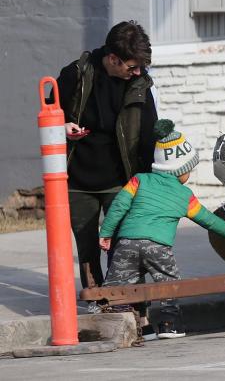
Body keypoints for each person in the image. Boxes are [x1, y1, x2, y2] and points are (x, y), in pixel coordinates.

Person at [98, 120, 225, 339]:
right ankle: (170, 325)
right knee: (168, 284)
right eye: (189, 170)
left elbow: (118, 206)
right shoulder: (185, 196)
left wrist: (106, 232)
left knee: (120, 284)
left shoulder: (139, 180)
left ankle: (122, 327)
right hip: (158, 246)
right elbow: (206, 218)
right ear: (181, 171)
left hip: (127, 243)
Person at [56, 20, 159, 306]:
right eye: (131, 66)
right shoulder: (75, 74)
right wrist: (63, 125)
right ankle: (98, 301)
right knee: (87, 245)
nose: (137, 72)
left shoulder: (139, 82)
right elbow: (51, 110)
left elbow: (148, 131)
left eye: (140, 66)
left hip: (121, 179)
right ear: (113, 59)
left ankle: (132, 304)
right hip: (77, 179)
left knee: (125, 244)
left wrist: (147, 181)